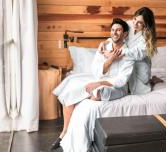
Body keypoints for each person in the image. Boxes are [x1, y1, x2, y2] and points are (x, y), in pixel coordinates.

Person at [51, 18, 134, 150]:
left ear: (125, 34)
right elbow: (96, 71)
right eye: (112, 30)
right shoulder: (104, 48)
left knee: (98, 93)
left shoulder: (129, 53)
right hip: (100, 80)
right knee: (69, 94)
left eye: (118, 30)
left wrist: (99, 83)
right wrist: (111, 58)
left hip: (117, 87)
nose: (115, 33)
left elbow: (121, 80)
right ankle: (64, 132)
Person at [99, 7, 157, 95]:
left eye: (140, 23)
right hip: (124, 60)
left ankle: (150, 82)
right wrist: (104, 42)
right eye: (135, 19)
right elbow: (117, 36)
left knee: (137, 85)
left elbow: (137, 54)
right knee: (117, 74)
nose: (135, 24)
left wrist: (114, 54)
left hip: (140, 65)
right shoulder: (128, 24)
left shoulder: (147, 38)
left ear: (146, 25)